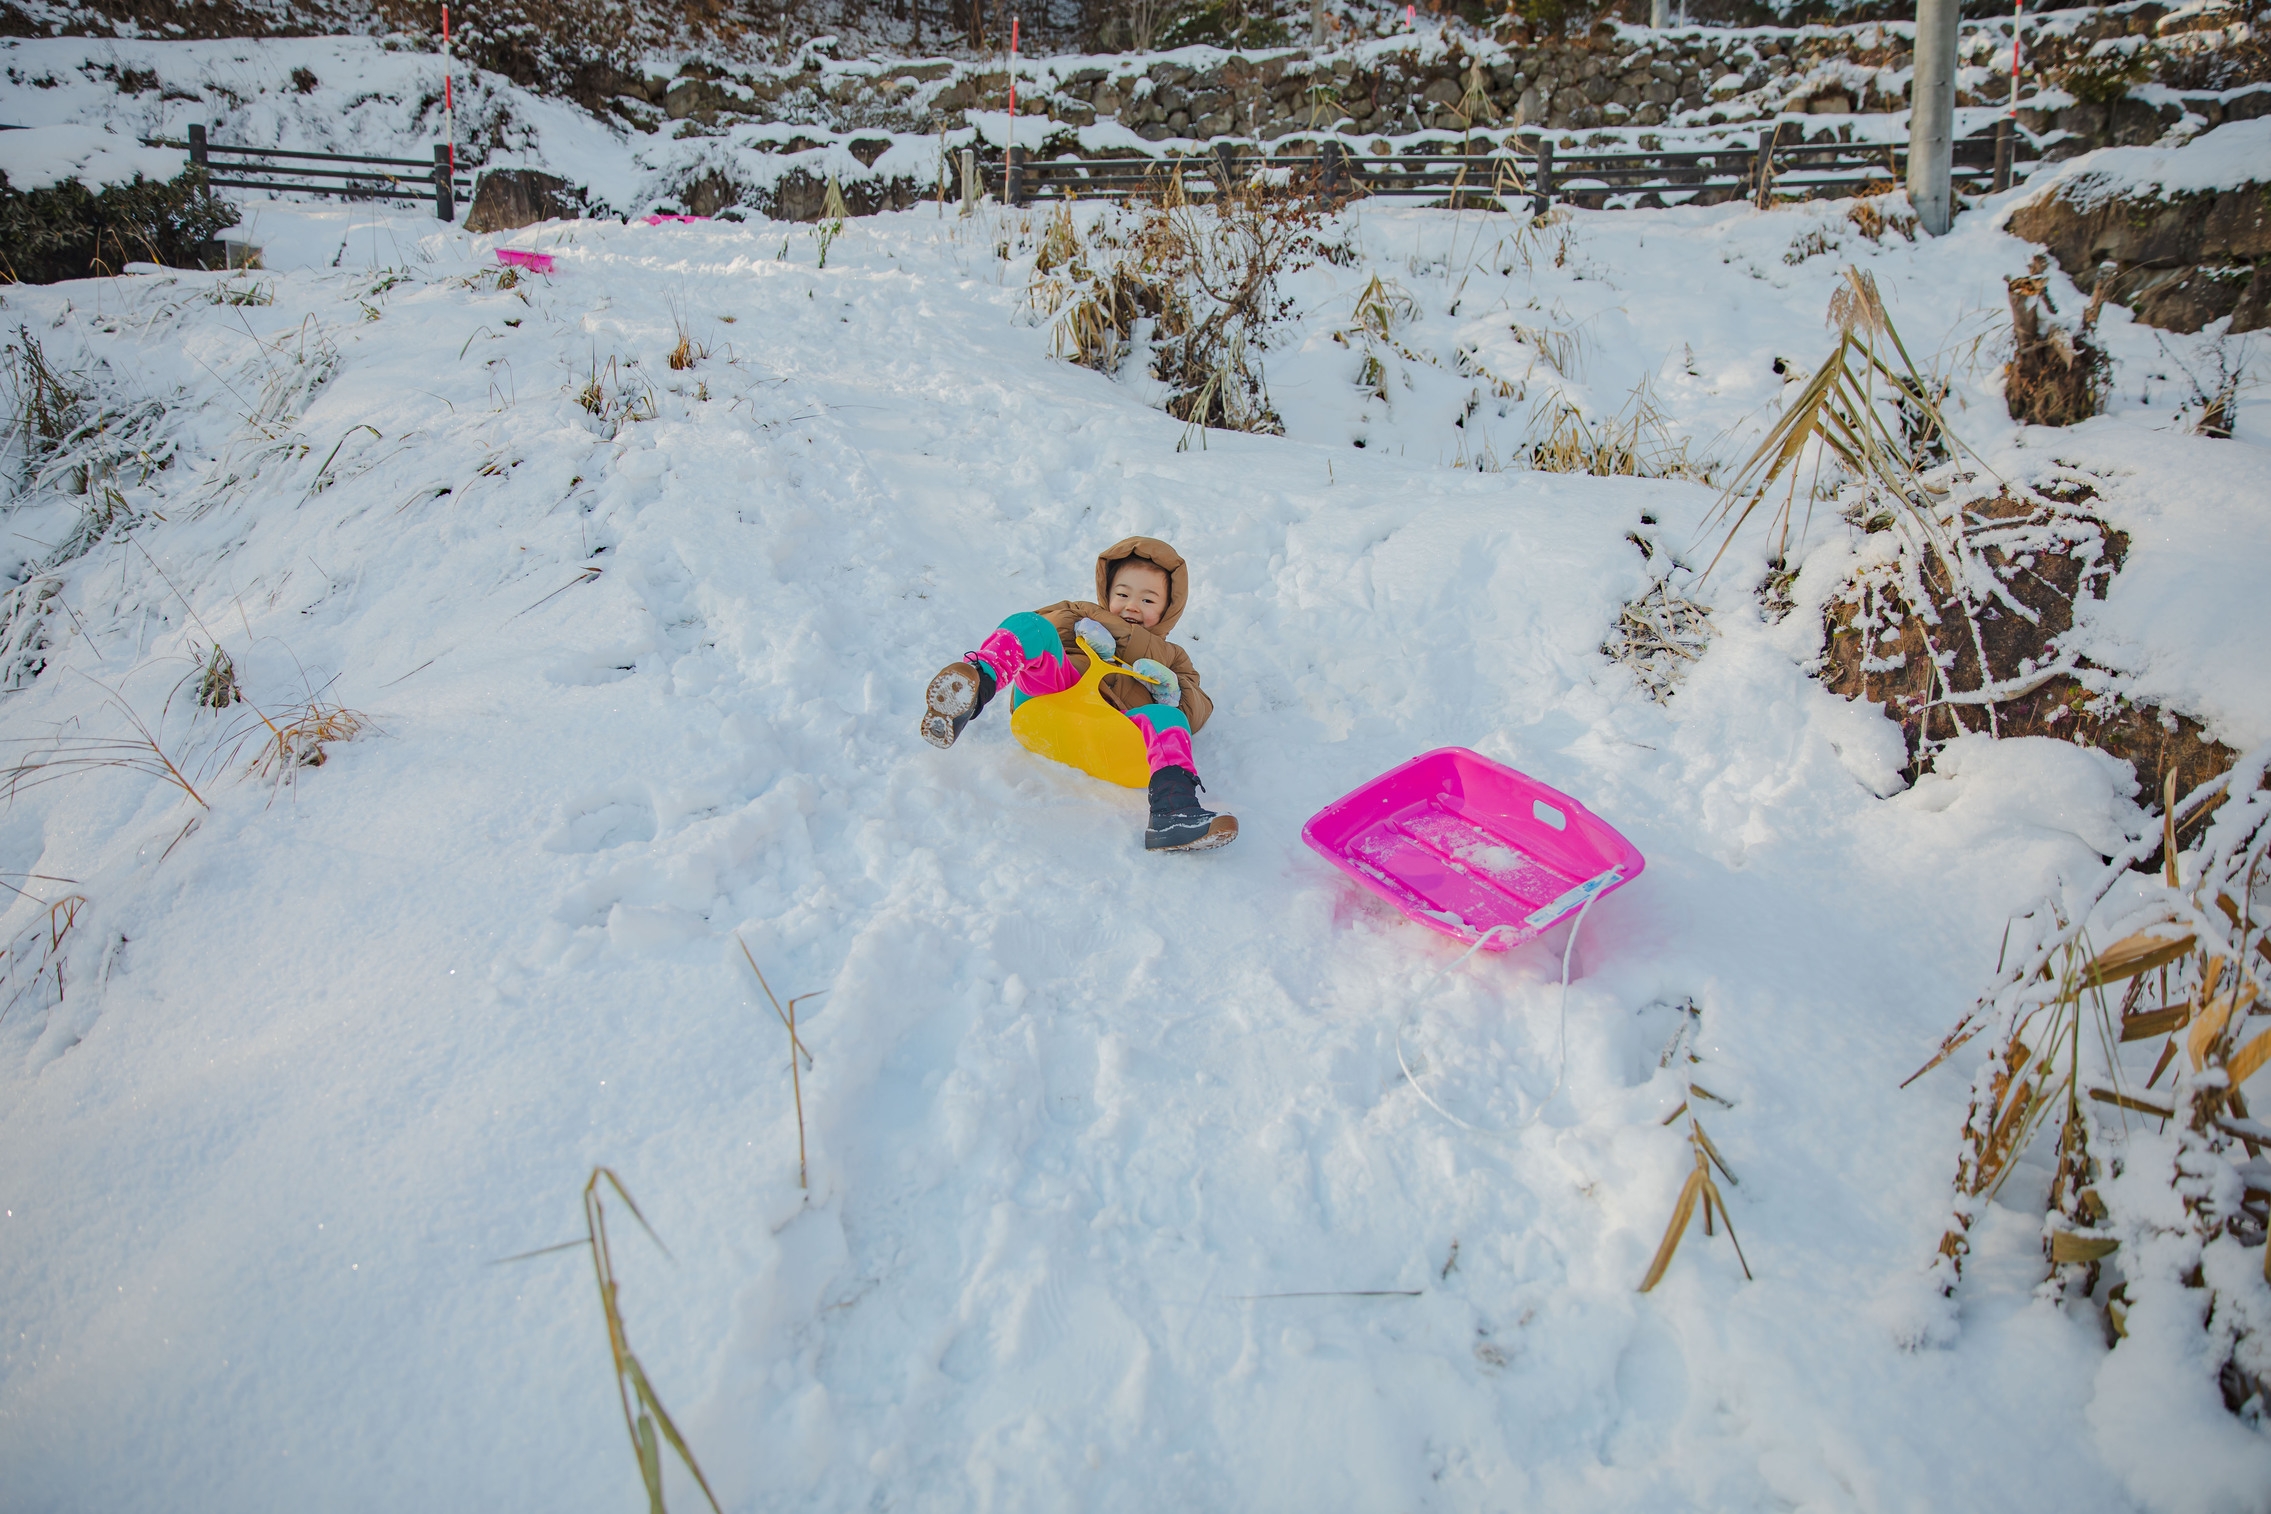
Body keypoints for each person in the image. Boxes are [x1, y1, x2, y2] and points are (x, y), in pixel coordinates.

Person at [921, 536, 1238, 853]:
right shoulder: (1081, 613)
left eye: (1148, 600)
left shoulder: (1172, 655)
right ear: (1107, 593)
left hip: (1115, 729)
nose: (1132, 605)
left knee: (1169, 718)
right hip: (1054, 695)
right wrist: (1082, 629)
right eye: (1123, 594)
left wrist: (1168, 689)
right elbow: (1041, 629)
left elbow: (1198, 710)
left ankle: (1174, 812)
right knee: (1029, 624)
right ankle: (976, 686)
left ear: (1168, 608)